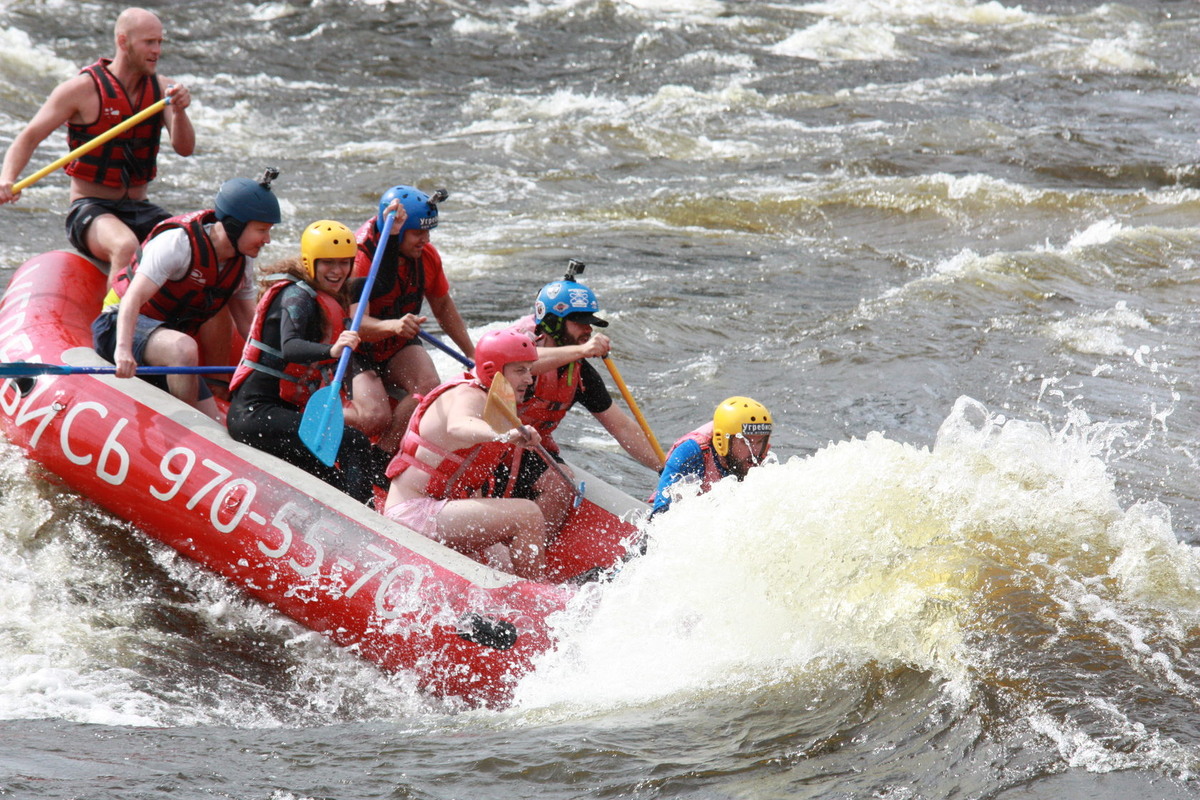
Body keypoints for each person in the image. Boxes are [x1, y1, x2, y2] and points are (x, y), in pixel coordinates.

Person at [0, 8, 194, 283]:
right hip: (91, 210)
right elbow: (28, 138)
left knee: (191, 245)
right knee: (125, 246)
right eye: (149, 42)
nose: (157, 50)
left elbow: (185, 148)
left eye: (160, 42)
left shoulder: (164, 91)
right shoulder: (80, 90)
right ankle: (113, 310)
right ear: (123, 41)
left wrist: (180, 111)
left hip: (140, 208)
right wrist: (7, 179)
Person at [226, 220, 390, 504]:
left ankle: (355, 514)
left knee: (333, 479)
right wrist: (332, 350)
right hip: (255, 414)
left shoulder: (330, 291)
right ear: (309, 262)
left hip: (283, 415)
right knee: (354, 442)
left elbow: (377, 283)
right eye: (328, 263)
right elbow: (290, 347)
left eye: (344, 263)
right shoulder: (296, 296)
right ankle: (363, 518)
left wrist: (390, 230)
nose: (337, 271)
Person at [92, 170, 279, 419]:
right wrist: (123, 351)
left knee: (216, 421)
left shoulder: (241, 262)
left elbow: (249, 326)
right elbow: (131, 300)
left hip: (165, 343)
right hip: (118, 326)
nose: (267, 239)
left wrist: (277, 365)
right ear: (235, 226)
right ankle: (183, 427)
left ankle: (188, 423)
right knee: (184, 348)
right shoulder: (178, 243)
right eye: (262, 230)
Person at [499, 275, 663, 533]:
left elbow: (622, 427)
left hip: (529, 447)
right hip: (492, 443)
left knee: (561, 484)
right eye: (579, 322)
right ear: (552, 323)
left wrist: (664, 468)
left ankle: (533, 548)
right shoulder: (515, 350)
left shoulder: (581, 374)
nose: (587, 330)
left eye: (590, 323)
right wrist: (583, 350)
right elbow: (522, 361)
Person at [382, 330, 551, 581]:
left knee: (504, 565)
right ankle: (538, 593)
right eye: (520, 371)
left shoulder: (491, 402)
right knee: (528, 514)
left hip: (443, 513)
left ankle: (530, 591)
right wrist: (505, 435)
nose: (529, 379)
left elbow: (471, 482)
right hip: (412, 513)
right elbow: (459, 425)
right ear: (493, 370)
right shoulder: (466, 394)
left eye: (529, 370)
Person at [350, 185, 475, 453]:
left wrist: (473, 355)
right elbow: (355, 325)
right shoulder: (361, 259)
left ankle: (381, 457)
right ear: (396, 230)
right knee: (374, 418)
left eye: (428, 232)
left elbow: (442, 306)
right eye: (418, 233)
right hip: (355, 349)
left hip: (396, 343)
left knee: (428, 387)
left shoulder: (426, 257)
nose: (425, 240)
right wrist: (393, 326)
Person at [651, 396, 773, 515]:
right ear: (723, 440)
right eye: (745, 442)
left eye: (760, 441)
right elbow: (660, 514)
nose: (754, 451)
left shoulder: (763, 458)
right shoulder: (691, 452)